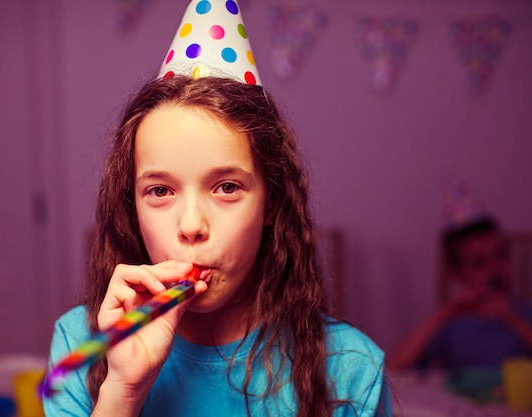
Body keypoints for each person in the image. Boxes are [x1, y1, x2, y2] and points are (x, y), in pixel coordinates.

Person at [44, 2, 391, 416]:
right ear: (131, 208)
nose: (191, 226)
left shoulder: (351, 370)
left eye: (226, 187)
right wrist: (123, 387)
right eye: (159, 191)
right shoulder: (83, 344)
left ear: (272, 203)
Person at [389, 183, 532, 372]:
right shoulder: (453, 321)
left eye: (502, 254)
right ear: (457, 274)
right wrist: (445, 313)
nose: (495, 268)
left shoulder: (524, 313)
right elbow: (393, 367)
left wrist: (512, 319)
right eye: (479, 262)